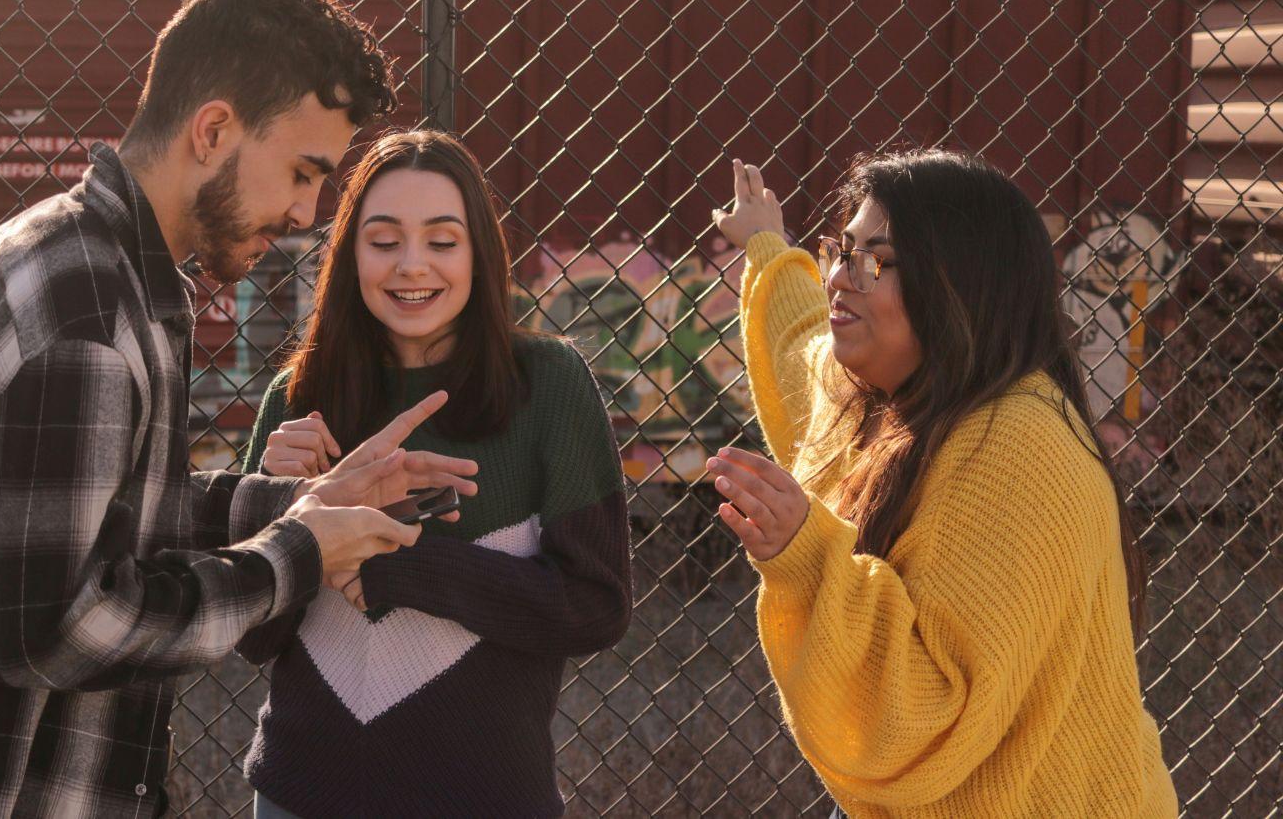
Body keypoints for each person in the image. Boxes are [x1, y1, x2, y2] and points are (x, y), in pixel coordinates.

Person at [0, 0, 480, 817]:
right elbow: (59, 630)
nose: (307, 213)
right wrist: (298, 557)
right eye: (303, 171)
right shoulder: (89, 313)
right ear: (215, 130)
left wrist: (299, 502)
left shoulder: (64, 252)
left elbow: (100, 510)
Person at [707, 150, 1177, 817]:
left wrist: (807, 556)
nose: (839, 276)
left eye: (876, 259)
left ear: (960, 283)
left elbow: (932, 708)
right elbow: (802, 350)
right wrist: (768, 244)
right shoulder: (891, 399)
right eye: (841, 251)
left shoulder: (1015, 446)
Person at [235, 130, 633, 818]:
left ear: (480, 252)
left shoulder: (550, 385)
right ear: (349, 253)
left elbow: (596, 606)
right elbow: (250, 636)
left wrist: (404, 568)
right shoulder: (295, 398)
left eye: (442, 241)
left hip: (485, 797)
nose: (411, 266)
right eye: (384, 241)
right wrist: (272, 506)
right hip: (301, 796)